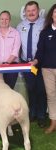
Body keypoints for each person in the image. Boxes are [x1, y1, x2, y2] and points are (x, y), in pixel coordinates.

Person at [17, 1, 47, 128]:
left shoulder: (46, 24)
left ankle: (41, 115)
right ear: (25, 12)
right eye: (28, 11)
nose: (31, 13)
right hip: (26, 63)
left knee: (41, 89)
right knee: (31, 89)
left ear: (38, 10)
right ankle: (32, 113)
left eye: (33, 10)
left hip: (41, 63)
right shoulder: (20, 26)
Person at [33, 4, 56, 133]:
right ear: (51, 15)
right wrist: (35, 61)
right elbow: (40, 51)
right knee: (51, 96)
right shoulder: (45, 32)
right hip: (47, 69)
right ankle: (53, 123)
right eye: (55, 12)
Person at [0, 10, 21, 89]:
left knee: (9, 90)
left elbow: (15, 50)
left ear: (9, 20)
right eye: (2, 19)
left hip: (11, 66)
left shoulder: (15, 33)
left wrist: (7, 63)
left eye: (6, 19)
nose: (4, 21)